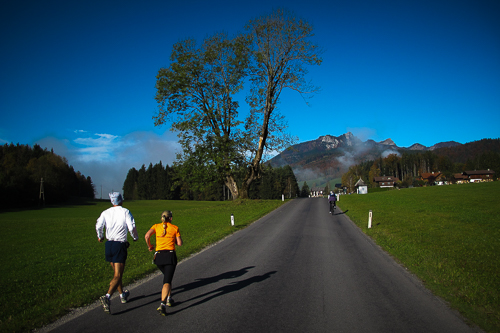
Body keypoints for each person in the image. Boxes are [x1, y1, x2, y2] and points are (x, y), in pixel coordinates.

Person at [96, 192, 139, 314]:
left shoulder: (106, 212)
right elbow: (131, 226)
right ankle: (107, 296)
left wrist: (100, 236)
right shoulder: (125, 211)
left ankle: (122, 295)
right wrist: (135, 237)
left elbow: (99, 225)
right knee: (118, 275)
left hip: (109, 244)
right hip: (119, 245)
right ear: (121, 200)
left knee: (117, 273)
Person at [145, 210, 183, 316]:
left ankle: (169, 299)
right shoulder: (174, 228)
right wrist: (174, 239)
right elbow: (179, 243)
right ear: (170, 218)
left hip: (159, 257)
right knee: (167, 281)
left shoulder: (156, 226)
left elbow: (147, 236)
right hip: (169, 256)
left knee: (167, 277)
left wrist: (150, 246)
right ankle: (162, 304)